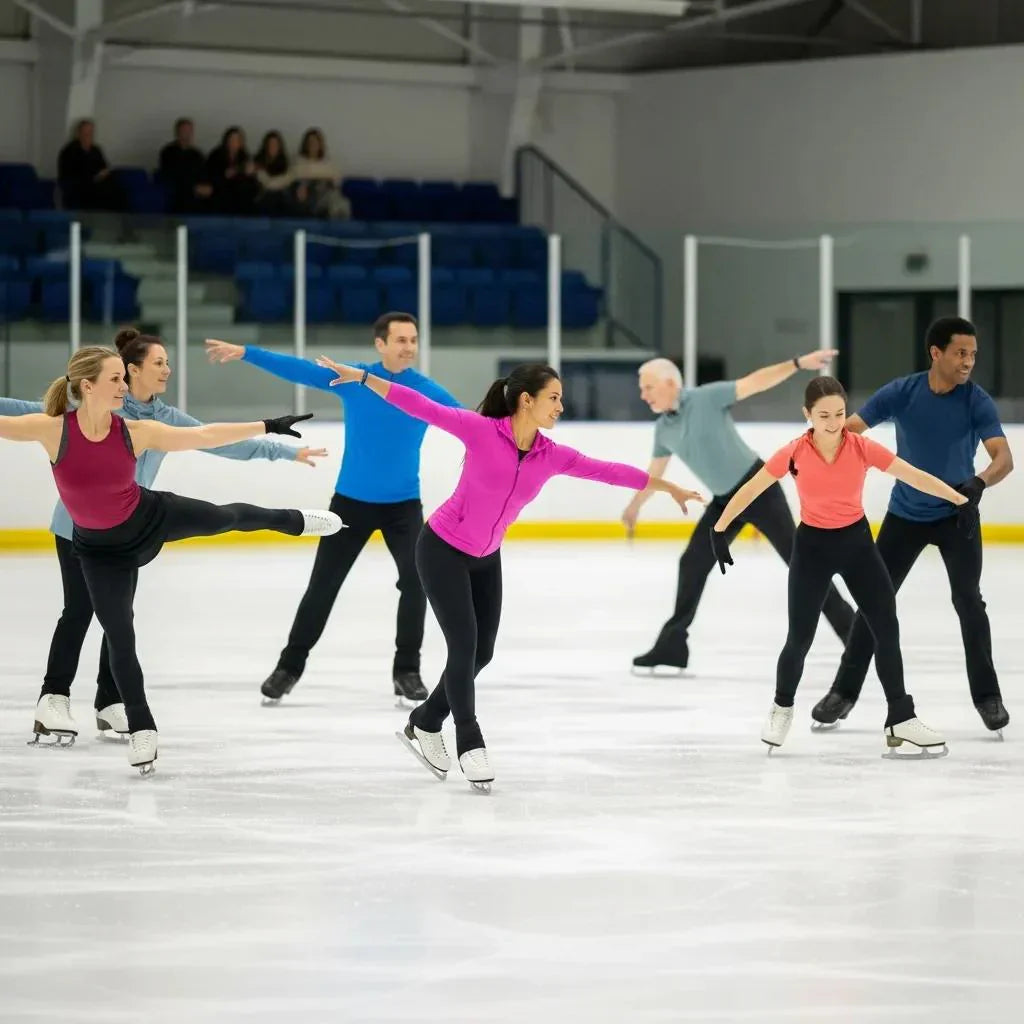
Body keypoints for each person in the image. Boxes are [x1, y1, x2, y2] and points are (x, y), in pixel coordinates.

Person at [315, 356, 705, 792]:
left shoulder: (551, 455)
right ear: (526, 400)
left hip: (486, 557)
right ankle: (469, 740)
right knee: (463, 646)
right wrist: (365, 379)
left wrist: (668, 488)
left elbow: (608, 471)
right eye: (553, 398)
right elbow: (423, 406)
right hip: (442, 549)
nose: (560, 406)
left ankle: (425, 721)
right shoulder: (481, 431)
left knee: (482, 653)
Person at [0, 347, 342, 775]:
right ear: (87, 386)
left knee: (224, 517)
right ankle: (142, 729)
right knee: (120, 634)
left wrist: (269, 426)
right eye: (115, 380)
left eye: (124, 379)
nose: (123, 387)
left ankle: (293, 521)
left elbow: (204, 436)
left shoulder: (135, 431)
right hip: (100, 552)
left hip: (150, 517)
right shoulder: (52, 429)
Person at [205, 312, 460, 707]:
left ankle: (407, 671)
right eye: (401, 340)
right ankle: (289, 667)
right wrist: (246, 352)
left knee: (416, 583)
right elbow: (301, 370)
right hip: (351, 504)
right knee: (323, 585)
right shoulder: (354, 378)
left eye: (413, 340)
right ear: (380, 344)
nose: (409, 347)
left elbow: (469, 421)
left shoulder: (426, 390)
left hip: (403, 507)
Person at [710, 376, 970, 757]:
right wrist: (719, 528)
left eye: (840, 413)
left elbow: (912, 475)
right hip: (812, 549)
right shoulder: (795, 452)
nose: (833, 422)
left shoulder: (862, 447)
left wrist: (958, 500)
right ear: (808, 415)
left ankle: (901, 717)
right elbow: (752, 487)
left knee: (886, 627)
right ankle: (782, 708)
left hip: (857, 546)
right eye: (824, 415)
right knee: (799, 638)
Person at [811, 317, 1014, 735]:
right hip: (905, 517)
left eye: (973, 354)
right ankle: (843, 693)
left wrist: (978, 482)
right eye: (961, 353)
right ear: (935, 353)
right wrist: (820, 444)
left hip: (956, 517)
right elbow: (849, 432)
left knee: (969, 603)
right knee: (875, 604)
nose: (968, 362)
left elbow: (1003, 459)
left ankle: (988, 697)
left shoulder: (975, 400)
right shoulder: (902, 392)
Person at [624, 351, 856, 673]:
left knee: (801, 565)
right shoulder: (663, 429)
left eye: (647, 387)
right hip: (724, 502)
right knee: (692, 562)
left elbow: (756, 382)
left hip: (757, 487)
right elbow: (655, 474)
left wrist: (797, 363)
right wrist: (634, 507)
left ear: (668, 383)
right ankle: (672, 646)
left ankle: (855, 635)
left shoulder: (706, 398)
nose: (643, 394)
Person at [57, 119, 124, 212]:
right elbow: (70, 174)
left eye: (91, 132)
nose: (88, 135)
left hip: (97, 183)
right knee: (100, 191)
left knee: (118, 186)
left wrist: (103, 174)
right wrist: (93, 176)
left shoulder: (96, 149)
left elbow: (104, 167)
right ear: (78, 133)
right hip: (79, 186)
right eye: (86, 132)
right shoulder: (69, 151)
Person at [158, 117, 213, 214]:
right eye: (184, 131)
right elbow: (171, 176)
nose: (187, 134)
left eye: (189, 131)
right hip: (178, 192)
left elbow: (204, 173)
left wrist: (206, 187)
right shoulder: (168, 152)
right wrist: (193, 188)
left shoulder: (197, 154)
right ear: (177, 132)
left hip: (197, 192)